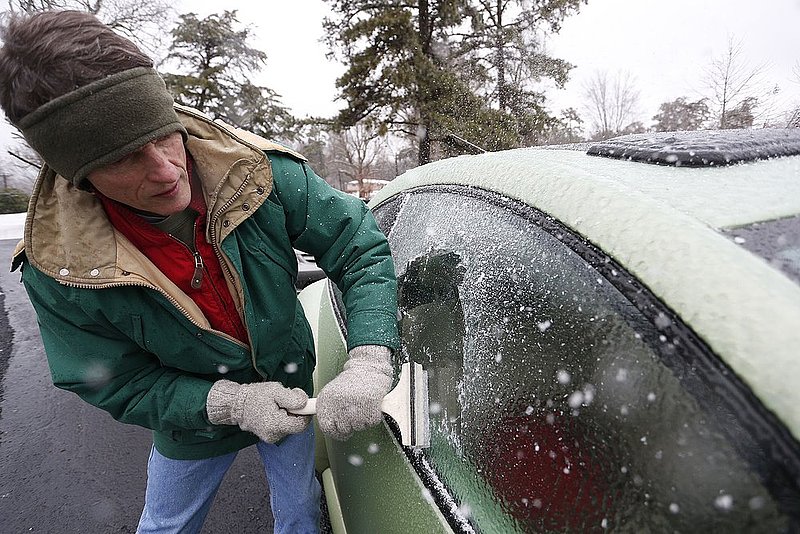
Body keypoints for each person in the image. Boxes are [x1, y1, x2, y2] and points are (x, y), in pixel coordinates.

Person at [0, 10, 399, 534]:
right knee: (167, 526)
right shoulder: (60, 270)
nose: (168, 170)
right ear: (80, 175)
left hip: (294, 396)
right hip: (191, 425)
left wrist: (369, 359)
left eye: (164, 134)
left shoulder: (260, 175)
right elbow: (116, 381)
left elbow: (359, 247)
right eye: (124, 157)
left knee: (299, 514)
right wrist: (227, 403)